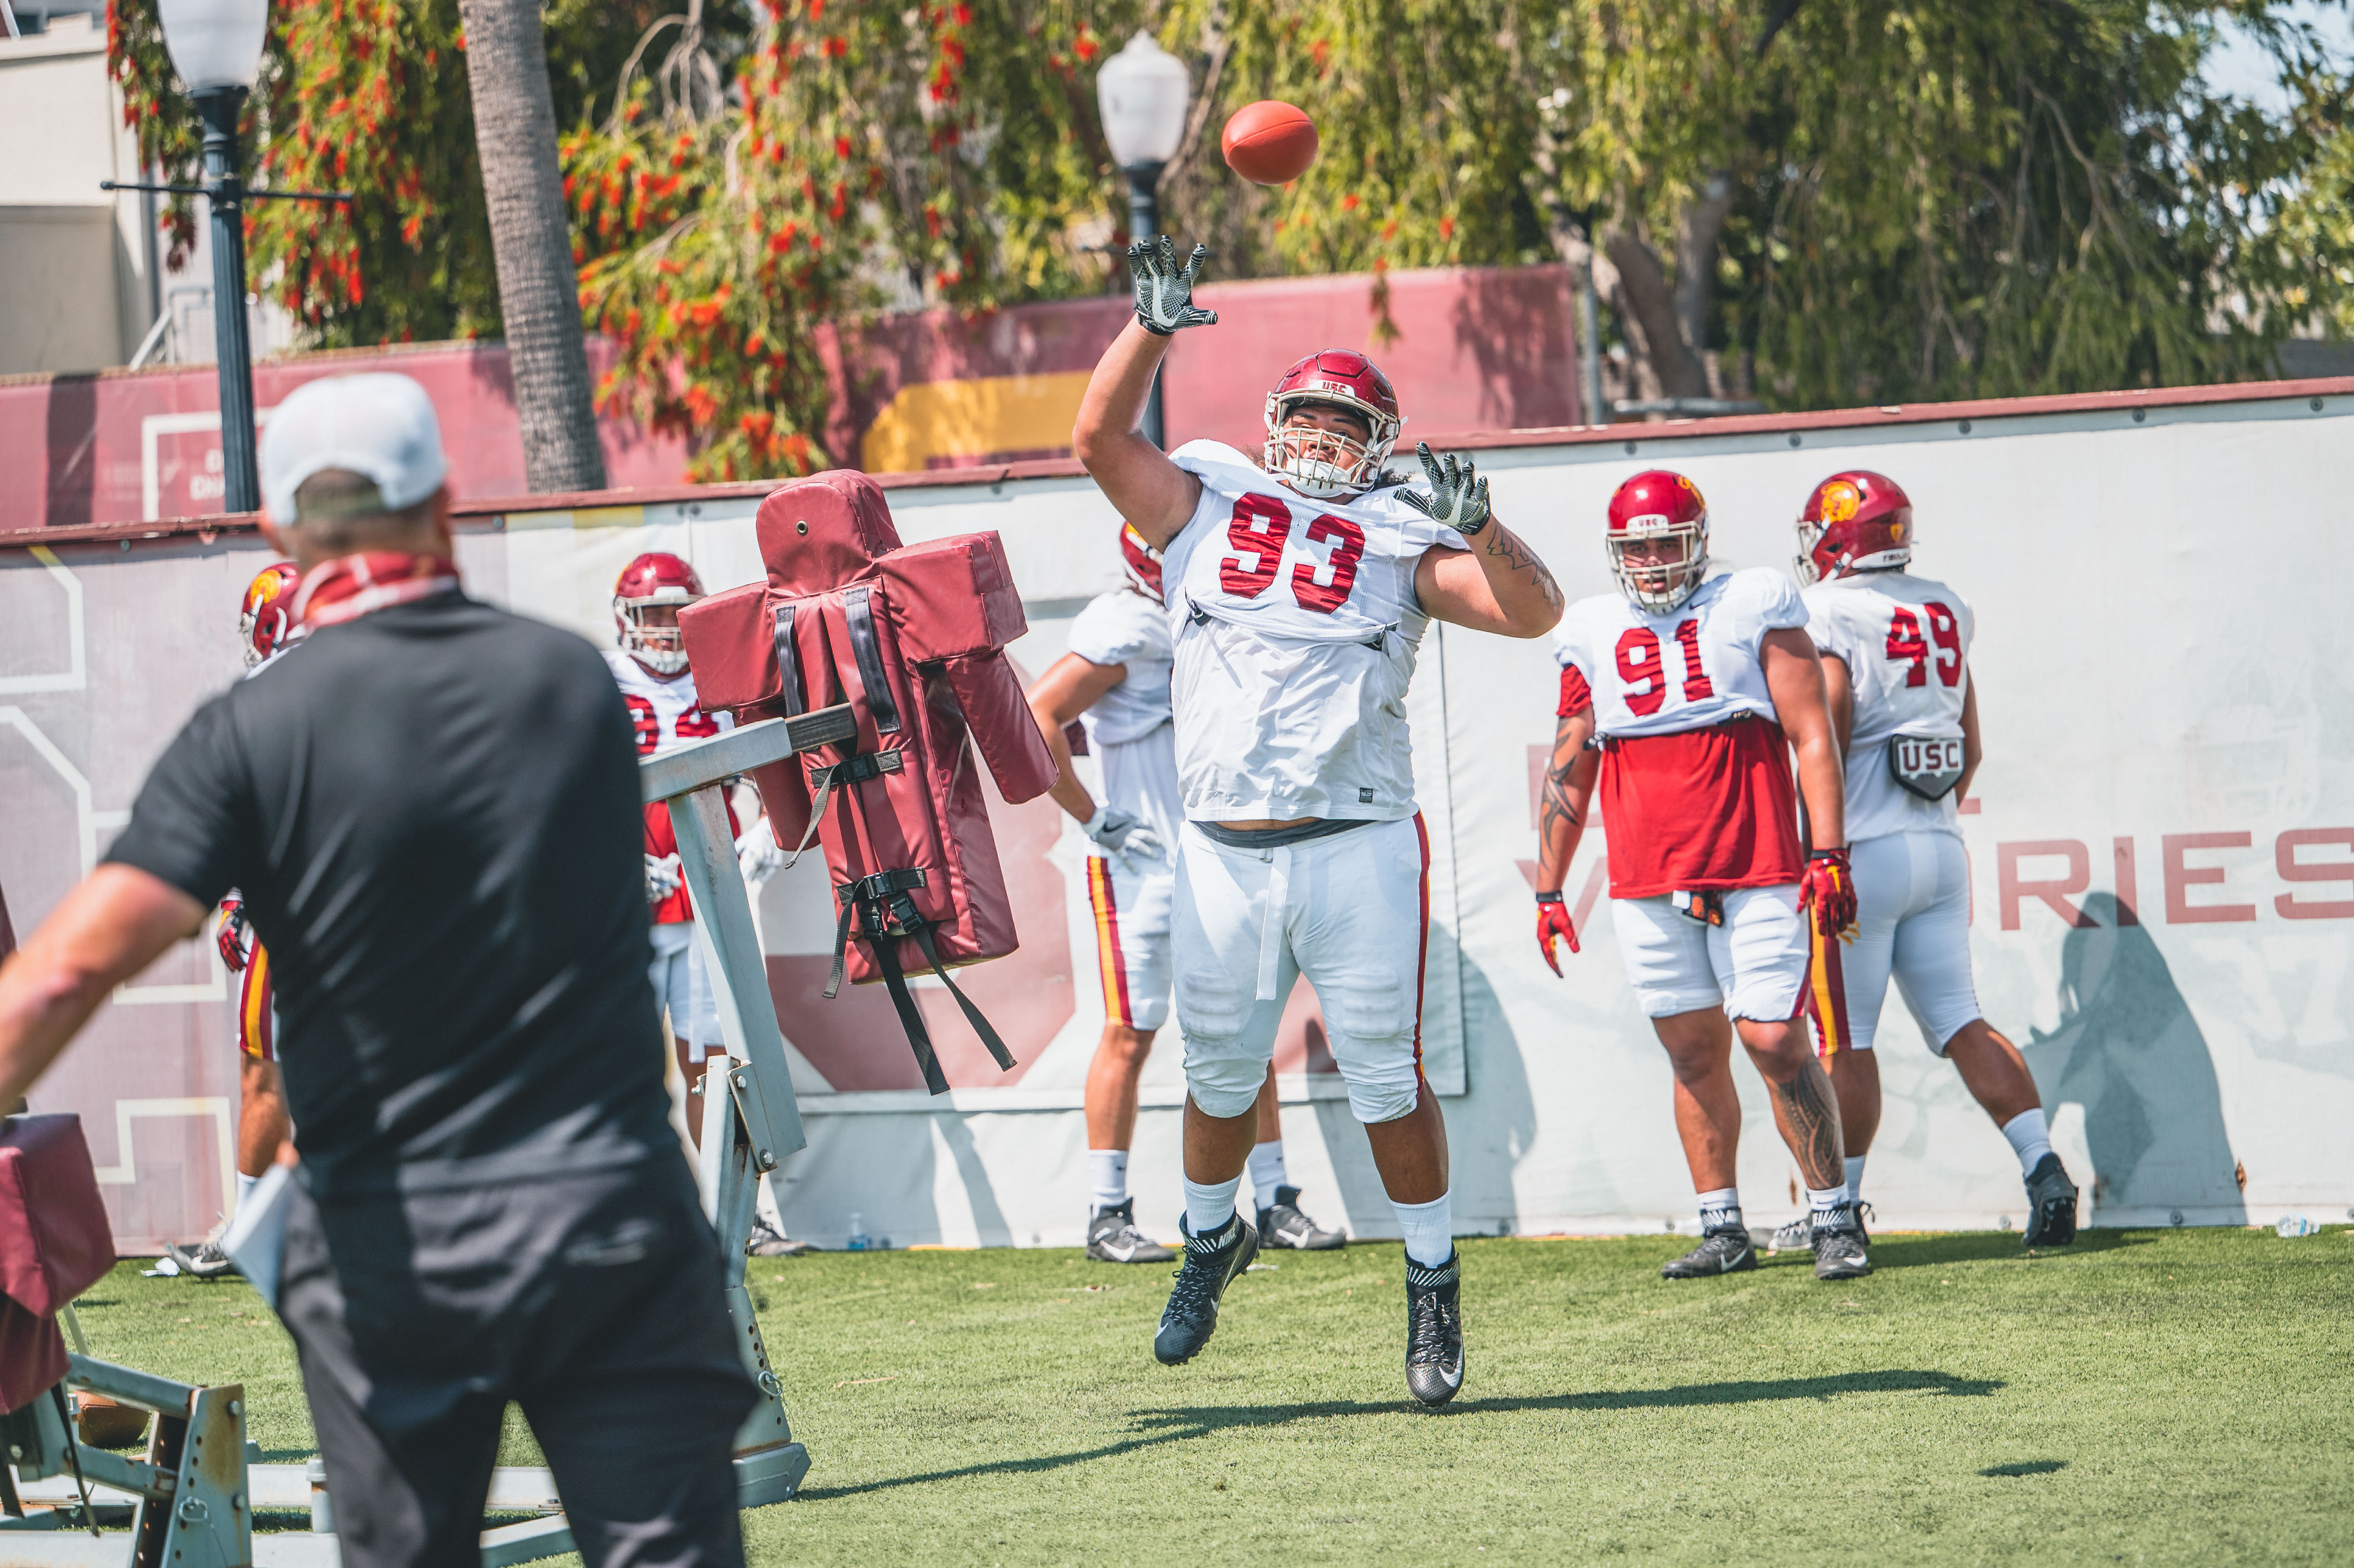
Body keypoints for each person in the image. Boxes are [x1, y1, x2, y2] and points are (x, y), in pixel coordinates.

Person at [0, 373, 757, 1568]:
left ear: (279, 530)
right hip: (607, 1216)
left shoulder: (250, 730)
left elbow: (62, 975)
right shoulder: (570, 682)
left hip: (393, 1245)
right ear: (443, 503)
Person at [1074, 238, 1563, 1406]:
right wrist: (1146, 330)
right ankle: (1209, 1241)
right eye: (1308, 419)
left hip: (1356, 842)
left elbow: (1533, 612)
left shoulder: (1402, 535)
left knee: (1387, 1079)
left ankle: (1432, 1278)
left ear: (1379, 446)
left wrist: (1483, 527)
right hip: (1222, 847)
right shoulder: (1204, 496)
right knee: (1216, 1076)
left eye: (1347, 428)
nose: (1323, 441)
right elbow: (1095, 439)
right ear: (1272, 422)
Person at [1534, 468, 1870, 1282]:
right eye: (1637, 548)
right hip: (1648, 877)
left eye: (1666, 544)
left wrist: (1828, 851)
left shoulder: (1750, 601)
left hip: (1756, 865)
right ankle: (1723, 1225)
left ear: (1700, 542)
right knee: (1690, 1053)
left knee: (1775, 1040)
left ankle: (1834, 1215)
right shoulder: (1591, 628)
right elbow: (1571, 766)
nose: (1652, 561)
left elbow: (1812, 733)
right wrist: (1548, 887)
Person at [1025, 524, 1345, 1264]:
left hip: (1221, 860)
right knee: (1131, 1031)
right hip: (1142, 866)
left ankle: (1274, 1199)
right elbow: (1037, 714)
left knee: (1249, 1032)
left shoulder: (1220, 614)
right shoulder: (1130, 622)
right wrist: (1092, 816)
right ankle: (1107, 1212)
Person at [1782, 470, 2078, 1248]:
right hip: (1941, 847)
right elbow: (1969, 745)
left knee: (1844, 1040)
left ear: (1838, 537)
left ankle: (1840, 1209)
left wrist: (1824, 846)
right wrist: (1928, 818)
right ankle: (2045, 1168)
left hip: (1859, 854)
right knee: (1961, 1021)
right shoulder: (1946, 605)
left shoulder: (1828, 609)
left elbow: (1830, 725)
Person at [604, 552, 801, 1258]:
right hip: (620, 910)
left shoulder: (719, 681)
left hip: (702, 897)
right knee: (612, 1068)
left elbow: (774, 766)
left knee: (716, 1067)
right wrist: (609, 862)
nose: (664, 627)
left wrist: (766, 834)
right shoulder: (598, 682)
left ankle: (738, 1216)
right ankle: (633, 1223)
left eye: (674, 612)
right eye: (652, 613)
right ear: (626, 619)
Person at [164, 564, 304, 1280]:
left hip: (299, 913)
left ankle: (249, 1234)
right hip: (384, 915)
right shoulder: (376, 680)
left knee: (263, 1073)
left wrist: (235, 898)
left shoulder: (261, 700)